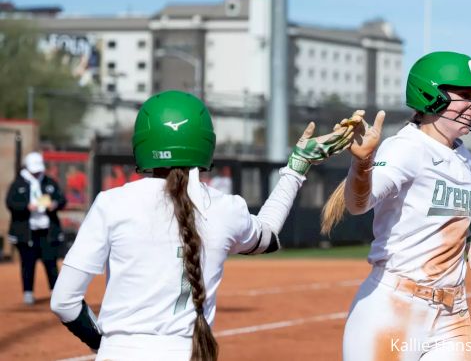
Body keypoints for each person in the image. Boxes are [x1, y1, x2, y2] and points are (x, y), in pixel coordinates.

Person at [50, 90, 353, 360]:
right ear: (206, 142)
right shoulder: (225, 208)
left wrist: (103, 345)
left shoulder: (110, 203)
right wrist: (297, 166)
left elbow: (64, 302)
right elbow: (269, 235)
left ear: (141, 141)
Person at [322, 51, 471, 361]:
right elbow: (359, 203)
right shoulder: (406, 148)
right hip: (394, 308)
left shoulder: (462, 156)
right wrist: (362, 164)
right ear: (430, 95)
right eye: (465, 95)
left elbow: (433, 214)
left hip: (452, 314)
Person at [5, 152, 67, 305]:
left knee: (50, 261)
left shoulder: (49, 182)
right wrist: (26, 207)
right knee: (28, 262)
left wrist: (54, 204)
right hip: (27, 231)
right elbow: (10, 203)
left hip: (47, 229)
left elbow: (61, 199)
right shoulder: (18, 183)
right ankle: (28, 292)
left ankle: (55, 291)